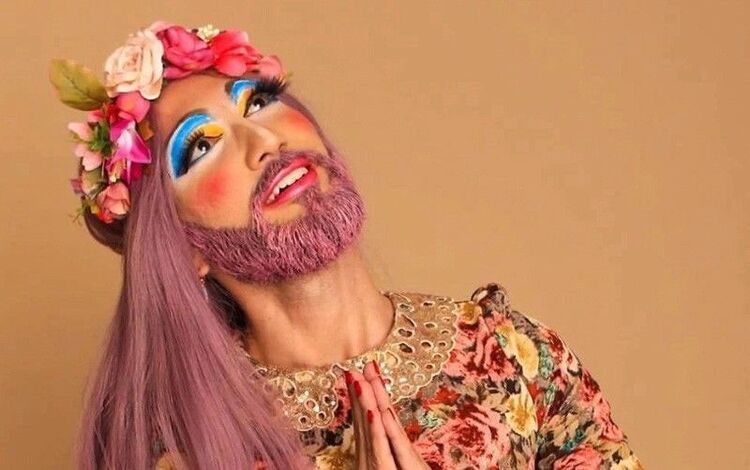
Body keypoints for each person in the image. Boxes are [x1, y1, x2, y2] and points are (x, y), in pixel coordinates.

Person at [50, 21, 644, 470]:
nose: (264, 140)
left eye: (258, 101)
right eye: (201, 147)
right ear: (183, 250)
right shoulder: (180, 449)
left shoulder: (512, 354)